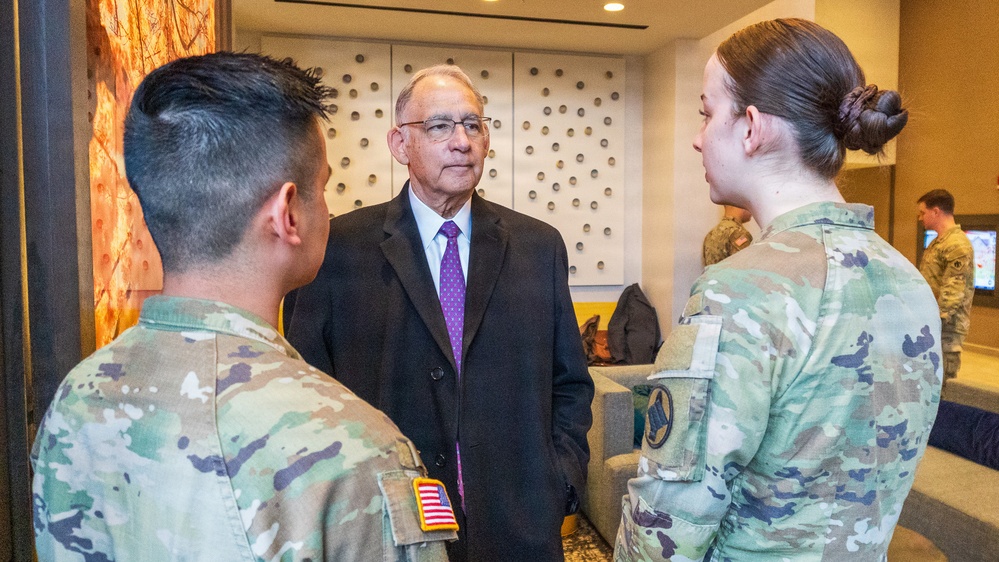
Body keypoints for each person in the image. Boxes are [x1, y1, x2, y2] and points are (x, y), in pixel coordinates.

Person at [31, 53, 454, 561]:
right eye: (322, 188)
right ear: (286, 213)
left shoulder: (76, 399)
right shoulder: (352, 451)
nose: (330, 209)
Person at [616, 19, 941, 561]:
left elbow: (667, 521)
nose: (698, 138)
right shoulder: (909, 281)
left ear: (750, 126)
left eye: (706, 112)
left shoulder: (740, 290)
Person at [287, 64, 594, 561]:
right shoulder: (338, 249)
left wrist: (560, 479)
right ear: (399, 144)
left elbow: (570, 383)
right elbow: (308, 391)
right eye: (439, 126)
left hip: (518, 524)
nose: (461, 141)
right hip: (388, 527)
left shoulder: (538, 247)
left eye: (473, 125)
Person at [918, 189, 975, 383]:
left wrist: (937, 321)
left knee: (940, 383)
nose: (920, 218)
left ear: (936, 212)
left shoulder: (956, 244)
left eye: (922, 212)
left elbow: (953, 292)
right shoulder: (939, 242)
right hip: (933, 324)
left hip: (945, 329)